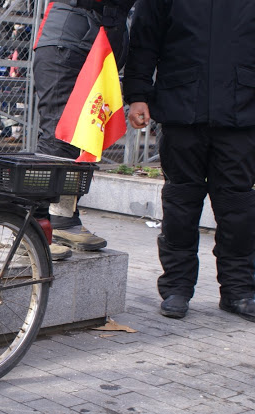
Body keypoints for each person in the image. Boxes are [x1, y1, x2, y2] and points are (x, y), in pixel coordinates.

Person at [123, 0, 255, 321]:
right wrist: (138, 94)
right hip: (182, 108)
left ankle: (238, 291)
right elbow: (145, 38)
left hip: (241, 111)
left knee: (238, 208)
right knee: (181, 203)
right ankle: (177, 288)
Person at [32, 0, 136, 253]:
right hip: (70, 39)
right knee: (60, 135)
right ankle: (37, 226)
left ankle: (62, 219)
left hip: (97, 40)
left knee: (85, 135)